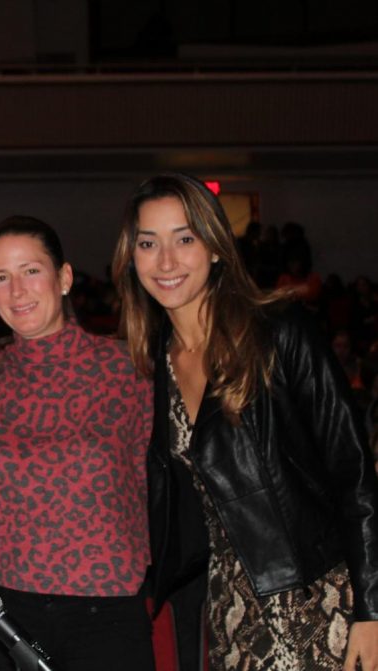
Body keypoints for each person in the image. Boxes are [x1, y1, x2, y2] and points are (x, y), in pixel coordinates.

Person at [112, 172, 378, 671]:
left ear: (215, 249)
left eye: (184, 239)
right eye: (148, 243)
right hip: (232, 606)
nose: (165, 261)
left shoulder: (279, 333)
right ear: (133, 258)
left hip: (320, 598)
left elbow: (355, 474)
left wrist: (373, 609)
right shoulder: (157, 363)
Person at [0, 216, 155, 671]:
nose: (17, 290)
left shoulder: (126, 369)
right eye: (2, 277)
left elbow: (157, 474)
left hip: (107, 607)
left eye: (31, 270)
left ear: (65, 277)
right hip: (8, 608)